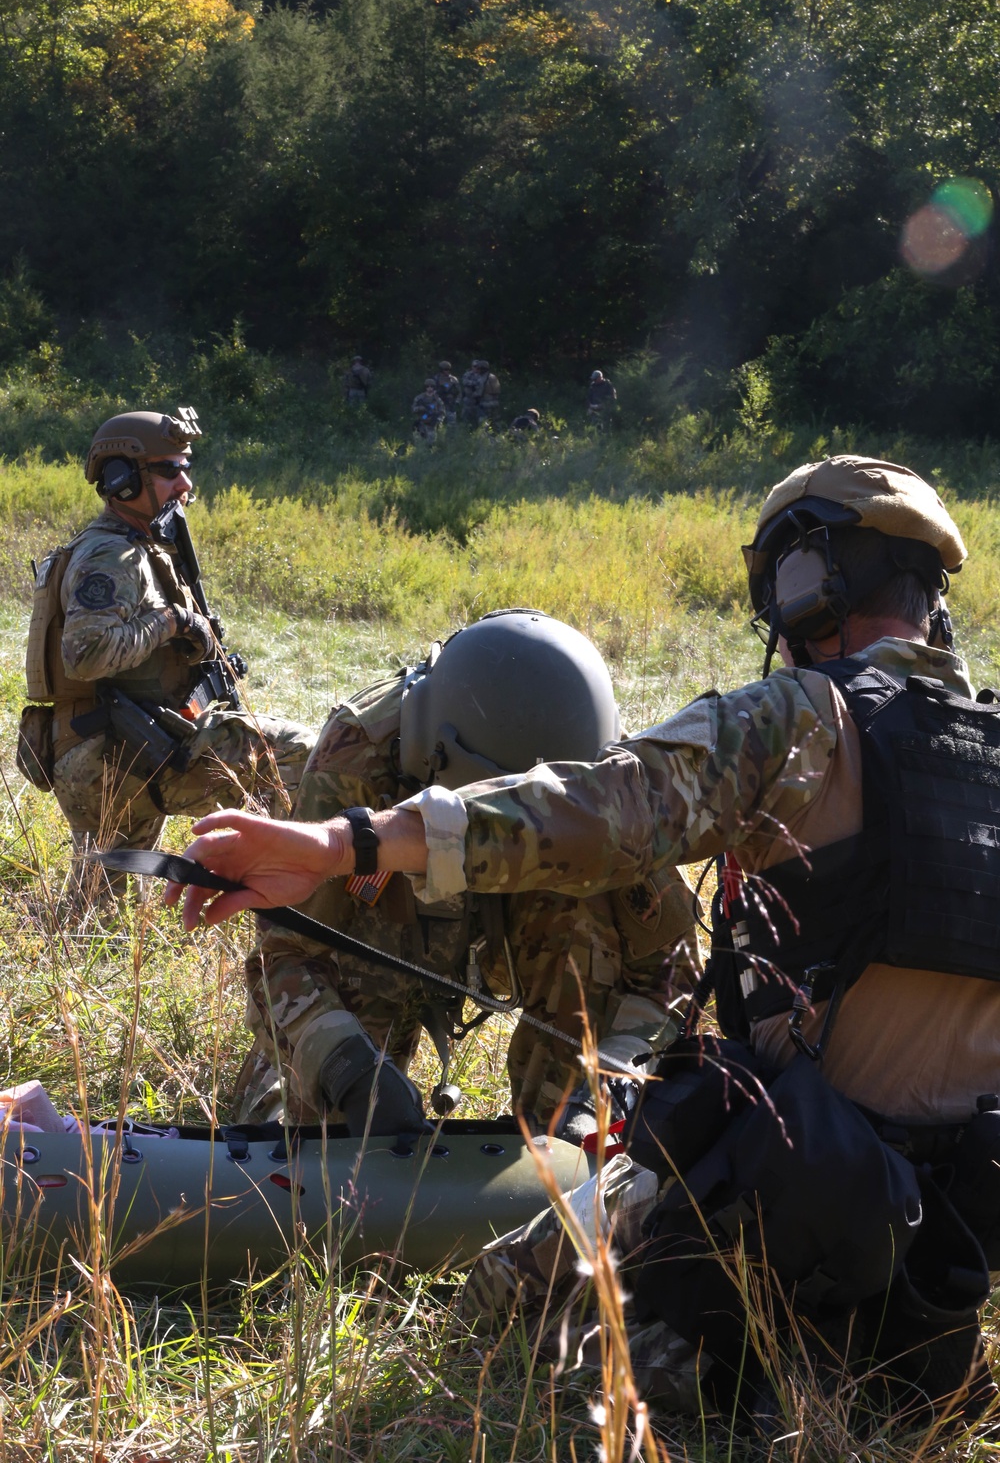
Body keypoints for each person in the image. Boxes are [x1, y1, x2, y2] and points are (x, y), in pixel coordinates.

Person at [164, 454, 1000, 1427]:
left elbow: (588, 807)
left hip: (795, 1180)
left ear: (812, 582)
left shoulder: (801, 723)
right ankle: (867, 1364)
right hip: (952, 1219)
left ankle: (729, 1362)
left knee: (503, 1304)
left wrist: (347, 841)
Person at [228, 610, 699, 1128]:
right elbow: (285, 955)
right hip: (387, 939)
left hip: (533, 930)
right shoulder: (357, 758)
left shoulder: (604, 788)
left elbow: (670, 973)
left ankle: (553, 1141)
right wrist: (348, 1070)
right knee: (315, 1136)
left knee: (593, 960)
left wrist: (602, 1094)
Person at [19, 409, 315, 875]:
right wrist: (174, 621)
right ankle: (292, 892)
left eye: (185, 468)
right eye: (168, 470)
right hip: (113, 755)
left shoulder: (139, 546)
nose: (184, 484)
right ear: (123, 480)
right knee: (305, 756)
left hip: (111, 750)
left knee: (103, 908)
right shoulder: (110, 554)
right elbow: (85, 655)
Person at [460, 359, 500, 426]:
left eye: (479, 368)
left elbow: (479, 393)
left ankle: (483, 435)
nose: (477, 370)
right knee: (495, 421)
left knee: (483, 422)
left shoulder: (483, 379)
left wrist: (473, 395)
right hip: (495, 403)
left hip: (485, 404)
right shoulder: (492, 376)